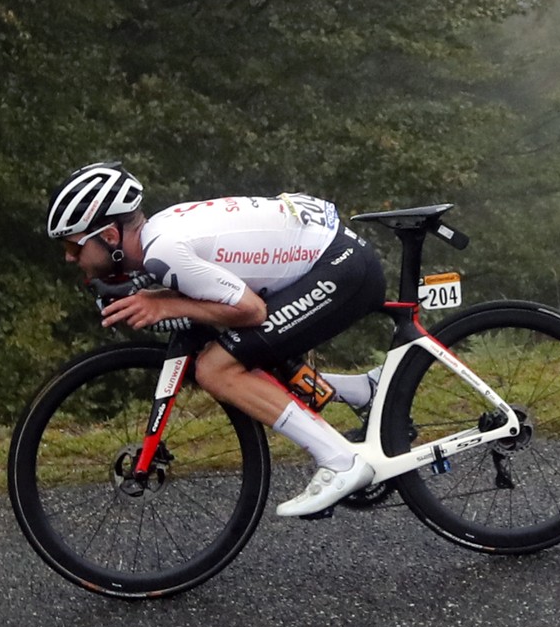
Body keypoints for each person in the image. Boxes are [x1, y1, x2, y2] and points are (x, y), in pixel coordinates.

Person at [46, 161, 386, 517]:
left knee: (216, 368)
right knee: (241, 349)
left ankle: (341, 461)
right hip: (335, 255)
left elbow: (252, 311)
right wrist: (163, 302)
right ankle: (361, 391)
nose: (69, 258)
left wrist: (165, 307)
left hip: (342, 267)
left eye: (73, 245)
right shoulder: (158, 234)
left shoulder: (163, 252)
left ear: (110, 237)